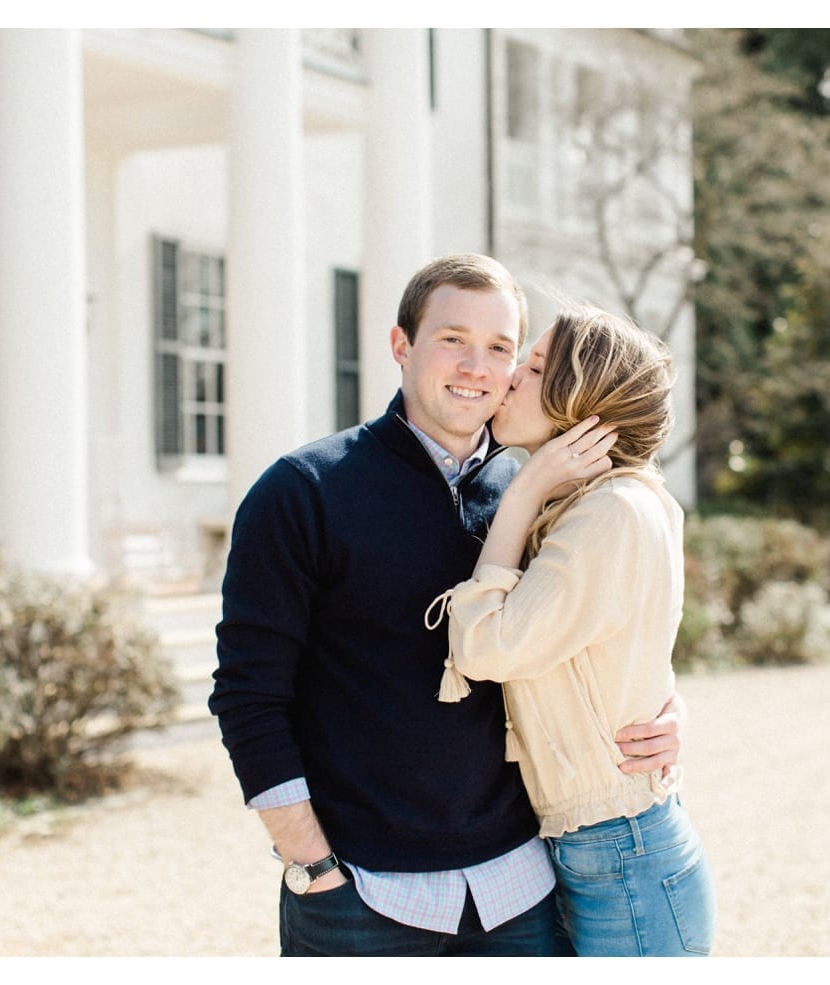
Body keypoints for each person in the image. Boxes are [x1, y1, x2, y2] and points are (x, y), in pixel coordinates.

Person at [208, 254, 683, 957]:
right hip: (364, 893)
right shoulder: (304, 491)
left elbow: (601, 627)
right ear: (402, 346)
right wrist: (310, 862)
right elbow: (248, 694)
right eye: (452, 338)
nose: (477, 365)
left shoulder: (541, 491)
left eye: (500, 348)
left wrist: (664, 710)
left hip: (519, 888)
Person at [429, 304, 715, 956]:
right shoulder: (603, 503)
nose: (507, 379)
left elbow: (483, 647)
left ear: (579, 404)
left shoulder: (610, 511)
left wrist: (525, 488)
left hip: (623, 853)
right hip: (602, 846)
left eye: (531, 367)